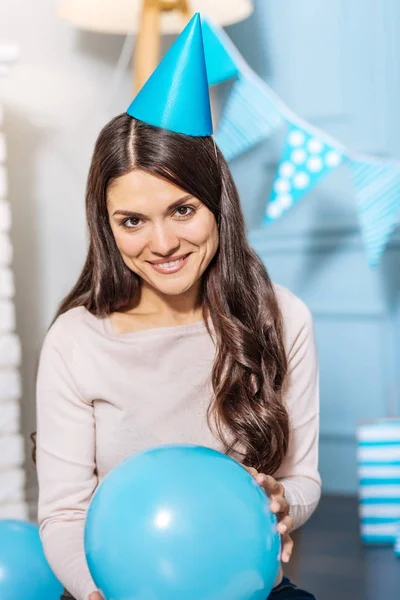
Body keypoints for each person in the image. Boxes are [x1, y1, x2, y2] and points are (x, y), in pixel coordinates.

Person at [35, 14, 321, 600]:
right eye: (132, 221)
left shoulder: (282, 318)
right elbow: (63, 515)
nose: (162, 244)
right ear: (107, 228)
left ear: (218, 203)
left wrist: (278, 500)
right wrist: (99, 593)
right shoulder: (76, 339)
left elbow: (302, 481)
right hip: (109, 590)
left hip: (239, 585)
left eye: (183, 210)